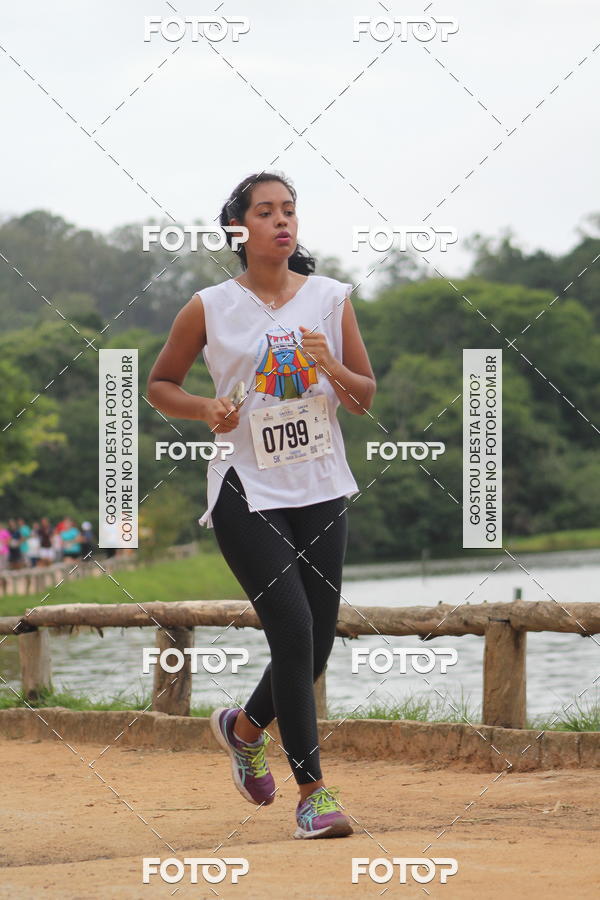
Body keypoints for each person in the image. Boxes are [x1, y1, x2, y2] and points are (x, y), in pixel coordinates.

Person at [147, 172, 376, 840]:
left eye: (290, 211)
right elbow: (162, 383)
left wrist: (329, 365)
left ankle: (243, 731)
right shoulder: (210, 306)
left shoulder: (332, 300)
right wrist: (205, 409)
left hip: (322, 486)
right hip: (246, 489)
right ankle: (314, 794)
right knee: (295, 629)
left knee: (319, 643)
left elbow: (362, 398)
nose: (283, 221)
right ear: (239, 230)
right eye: (267, 212)